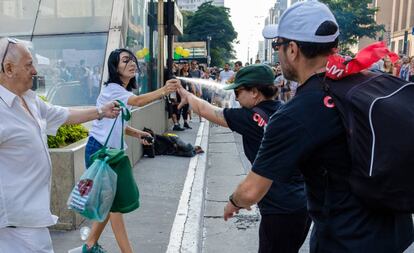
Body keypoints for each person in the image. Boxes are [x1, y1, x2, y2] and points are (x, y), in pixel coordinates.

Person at [224, 1, 414, 253]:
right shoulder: (366, 81)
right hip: (395, 233)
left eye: (277, 45)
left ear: (292, 49)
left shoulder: (296, 113)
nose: (278, 53)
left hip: (345, 241)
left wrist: (233, 202)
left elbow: (250, 191)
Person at [0, 38, 120, 253]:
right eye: (28, 65)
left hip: (33, 216)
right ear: (8, 69)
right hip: (13, 223)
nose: (35, 70)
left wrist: (101, 111)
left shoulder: (30, 100)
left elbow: (64, 114)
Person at [175, 64, 309, 253]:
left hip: (279, 208)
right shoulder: (284, 111)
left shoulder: (250, 118)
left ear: (254, 92)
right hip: (302, 203)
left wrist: (186, 94)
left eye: (238, 92)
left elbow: (206, 110)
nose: (236, 97)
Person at [83, 48, 179, 253]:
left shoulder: (121, 92)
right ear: (114, 67)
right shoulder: (112, 89)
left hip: (112, 152)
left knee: (112, 205)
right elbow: (138, 101)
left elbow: (117, 125)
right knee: (116, 206)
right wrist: (164, 90)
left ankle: (90, 245)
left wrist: (139, 134)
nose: (132, 63)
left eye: (132, 60)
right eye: (125, 60)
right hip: (101, 151)